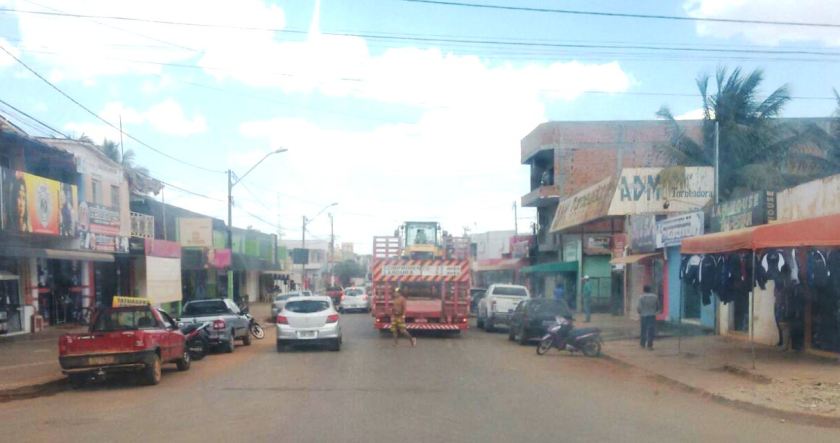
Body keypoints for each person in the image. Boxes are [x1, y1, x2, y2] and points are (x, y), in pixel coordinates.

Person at [637, 285, 659, 350]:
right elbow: (658, 307)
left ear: (644, 290)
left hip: (643, 315)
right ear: (650, 290)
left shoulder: (641, 297)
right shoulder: (655, 297)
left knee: (643, 330)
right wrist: (654, 311)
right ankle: (650, 345)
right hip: (652, 315)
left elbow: (639, 308)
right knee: (651, 330)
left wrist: (640, 312)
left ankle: (642, 344)